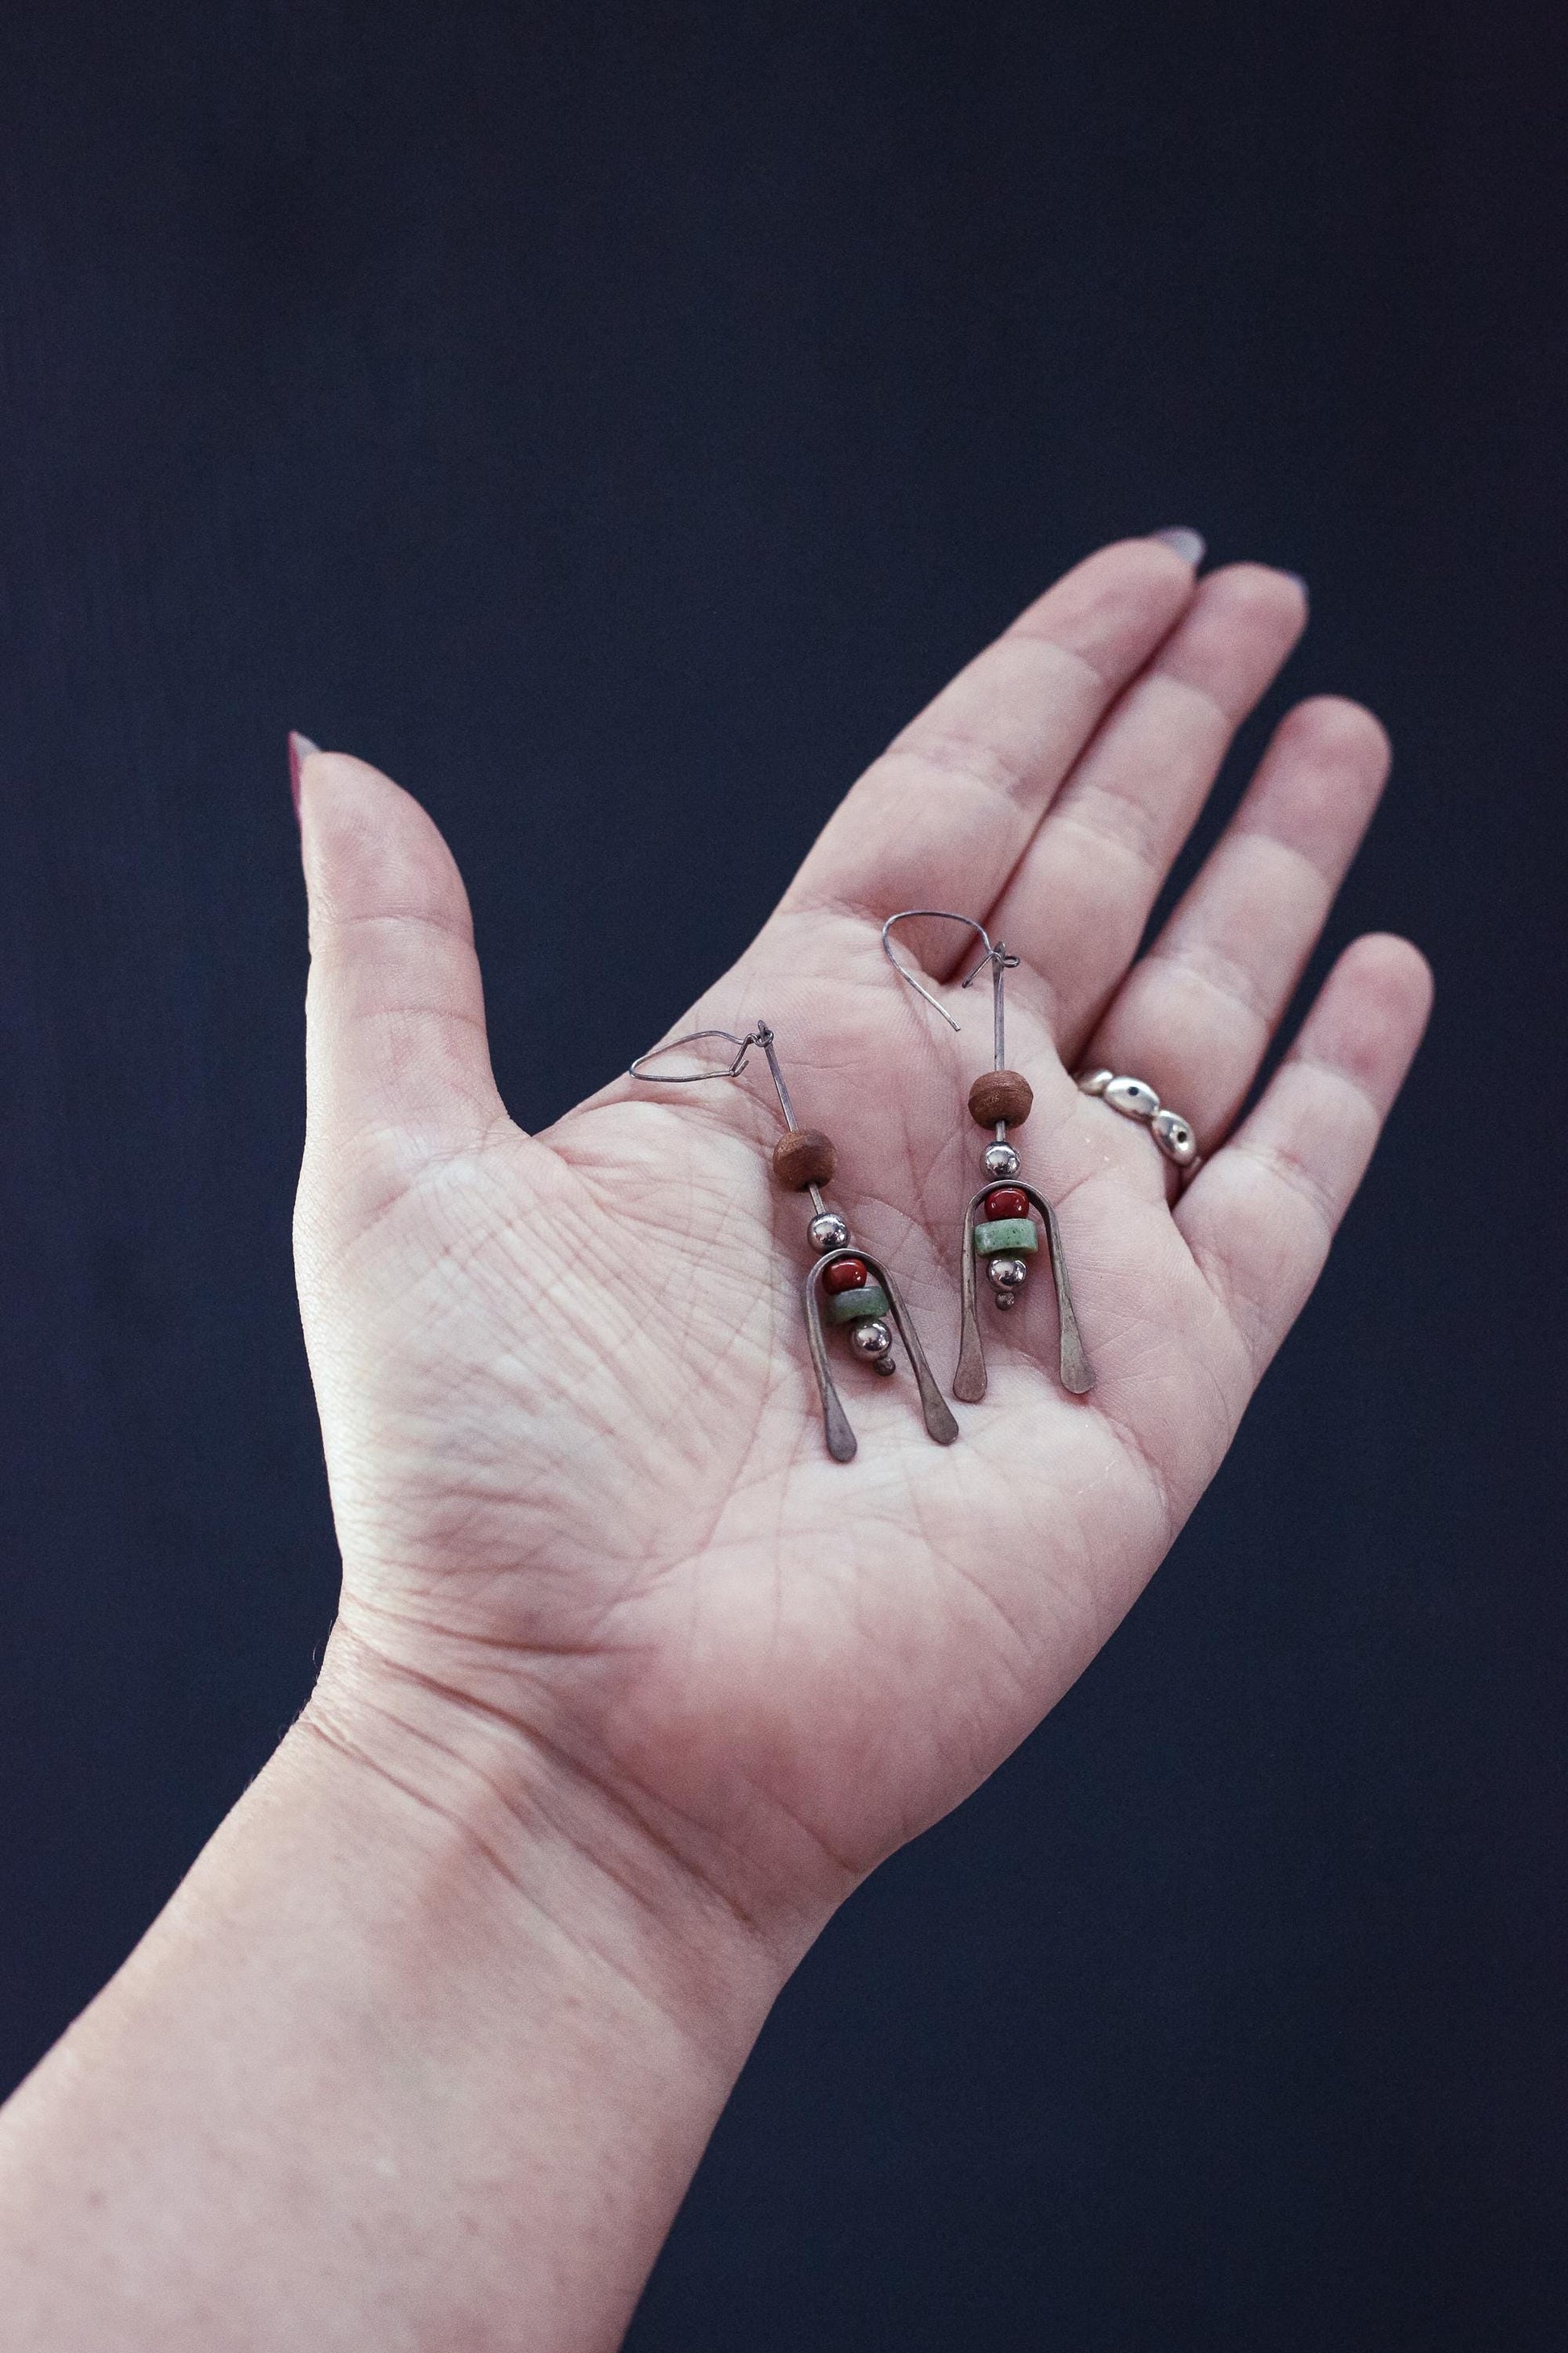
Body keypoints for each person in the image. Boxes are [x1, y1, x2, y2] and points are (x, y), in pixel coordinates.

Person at [0, 533, 1430, 2349]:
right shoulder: (852, 1227)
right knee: (911, 1331)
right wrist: (517, 1741)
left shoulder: (959, 1203)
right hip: (866, 1294)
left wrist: (520, 1777)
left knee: (944, 1329)